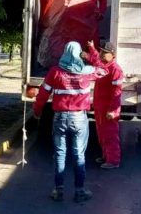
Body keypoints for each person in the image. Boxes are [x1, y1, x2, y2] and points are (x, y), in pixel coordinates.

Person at [33, 41, 103, 203]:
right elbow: (104, 69)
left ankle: (58, 191)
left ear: (65, 52)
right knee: (79, 155)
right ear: (78, 53)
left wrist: (37, 112)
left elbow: (43, 94)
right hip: (79, 118)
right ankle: (79, 192)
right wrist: (91, 52)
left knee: (60, 154)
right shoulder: (87, 72)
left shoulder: (55, 72)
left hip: (60, 118)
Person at [86, 41, 124, 169]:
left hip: (108, 109)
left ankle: (113, 160)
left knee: (110, 134)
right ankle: (106, 156)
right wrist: (91, 48)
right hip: (100, 107)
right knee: (102, 133)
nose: (102, 55)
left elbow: (117, 93)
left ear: (113, 55)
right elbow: (96, 60)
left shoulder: (115, 70)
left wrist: (113, 111)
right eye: (101, 52)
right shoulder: (104, 66)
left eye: (105, 53)